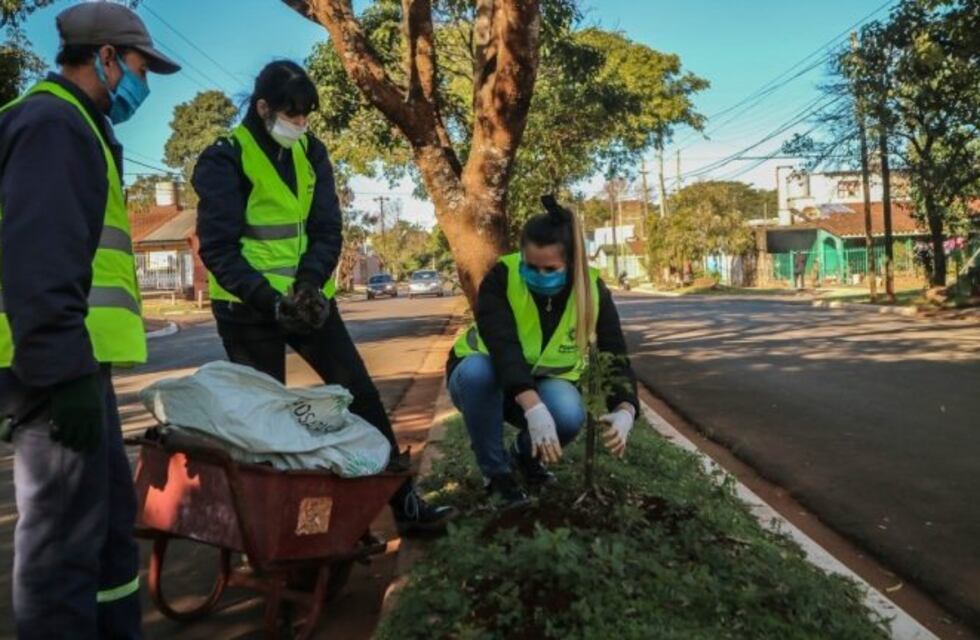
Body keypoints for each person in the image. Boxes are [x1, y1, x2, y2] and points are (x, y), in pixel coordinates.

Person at [193, 60, 455, 536]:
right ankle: (273, 531)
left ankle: (404, 503)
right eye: (292, 115)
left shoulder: (311, 152)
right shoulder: (225, 157)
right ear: (263, 107)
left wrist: (310, 285)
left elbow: (326, 229)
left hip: (308, 302)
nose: (301, 124)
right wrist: (268, 301)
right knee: (263, 424)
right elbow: (217, 248)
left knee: (360, 395)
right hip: (247, 310)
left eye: (306, 116)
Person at [0, 3, 180, 638]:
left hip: (76, 368)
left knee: (104, 538)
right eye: (139, 68)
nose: (144, 85)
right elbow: (41, 259)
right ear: (105, 57)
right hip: (56, 372)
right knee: (61, 551)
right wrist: (64, 372)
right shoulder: (53, 124)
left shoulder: (77, 124)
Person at [447, 196, 639, 508]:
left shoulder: (591, 290)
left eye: (550, 269)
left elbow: (614, 352)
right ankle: (497, 476)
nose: (538, 275)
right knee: (477, 371)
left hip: (545, 383)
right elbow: (503, 346)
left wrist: (625, 409)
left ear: (572, 264)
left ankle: (524, 457)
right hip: (488, 379)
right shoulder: (502, 277)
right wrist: (534, 408)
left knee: (567, 413)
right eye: (530, 267)